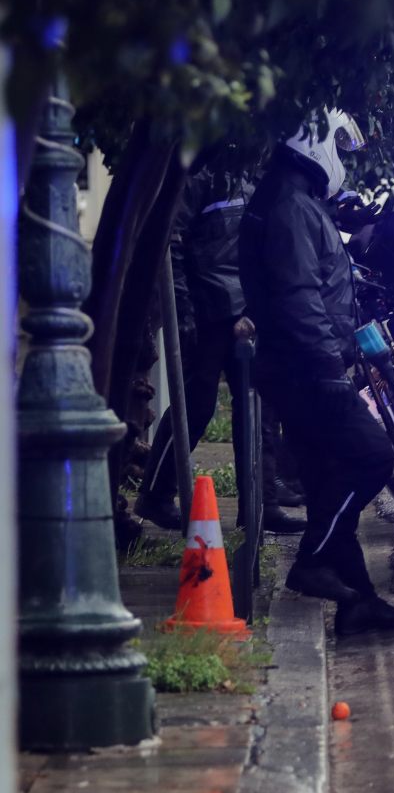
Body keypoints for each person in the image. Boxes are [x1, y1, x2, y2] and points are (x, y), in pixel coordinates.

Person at [238, 109, 394, 636]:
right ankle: (312, 560)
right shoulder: (289, 205)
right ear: (314, 141)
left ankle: (358, 602)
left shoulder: (294, 198)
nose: (340, 159)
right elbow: (298, 296)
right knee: (370, 457)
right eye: (337, 146)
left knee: (325, 482)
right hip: (305, 367)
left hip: (294, 365)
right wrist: (327, 365)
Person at [135, 159, 306, 535]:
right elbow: (172, 241)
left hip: (246, 306)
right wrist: (183, 308)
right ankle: (156, 496)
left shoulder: (255, 173)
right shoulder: (200, 175)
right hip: (207, 307)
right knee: (196, 405)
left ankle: (260, 507)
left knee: (257, 410)